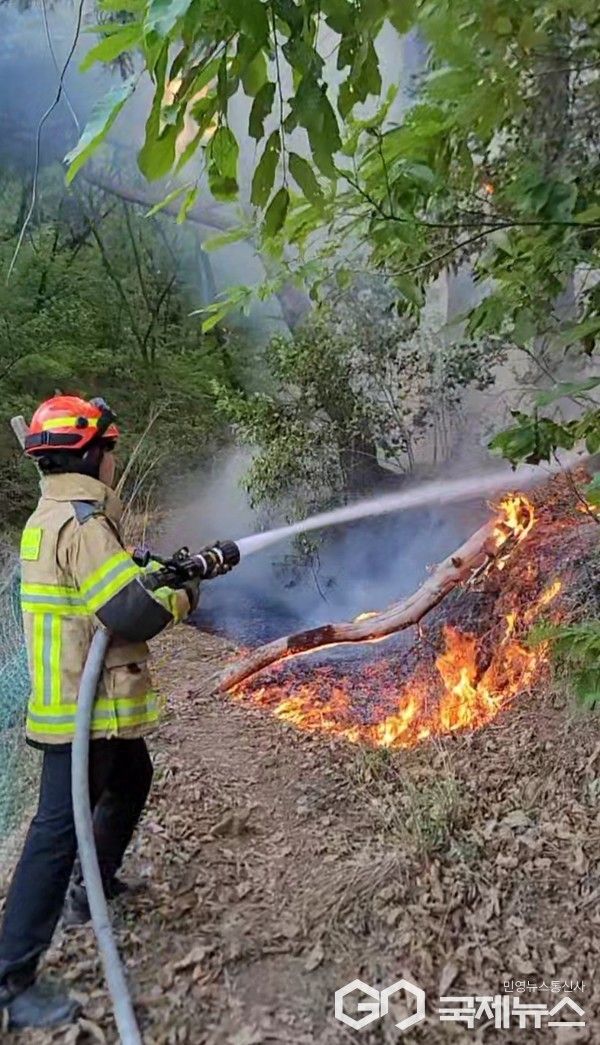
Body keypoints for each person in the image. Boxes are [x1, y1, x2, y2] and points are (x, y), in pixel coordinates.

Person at [0, 395, 199, 1031]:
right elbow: (130, 613)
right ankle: (11, 979)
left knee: (132, 779)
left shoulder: (52, 514)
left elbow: (103, 586)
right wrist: (187, 593)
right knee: (55, 835)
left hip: (79, 706)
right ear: (90, 454)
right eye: (109, 449)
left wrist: (153, 569)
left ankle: (95, 888)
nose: (113, 460)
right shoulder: (83, 523)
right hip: (80, 718)